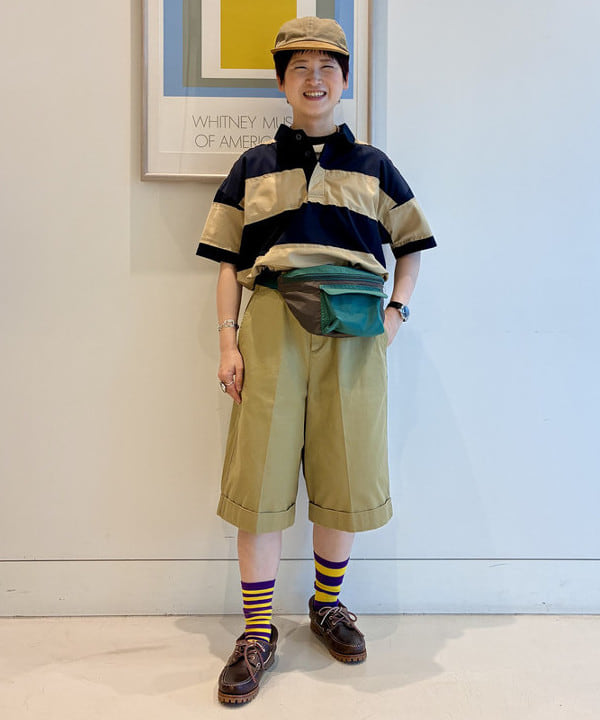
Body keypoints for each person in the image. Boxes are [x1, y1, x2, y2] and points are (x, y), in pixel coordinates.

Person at [196, 16, 436, 704]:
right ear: (282, 82)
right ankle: (257, 630)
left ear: (345, 79)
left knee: (345, 469)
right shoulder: (252, 166)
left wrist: (395, 315)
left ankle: (327, 604)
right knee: (260, 476)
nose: (314, 79)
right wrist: (228, 341)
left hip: (356, 328)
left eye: (327, 66)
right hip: (271, 320)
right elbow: (226, 261)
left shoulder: (375, 165)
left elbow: (411, 246)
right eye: (299, 67)